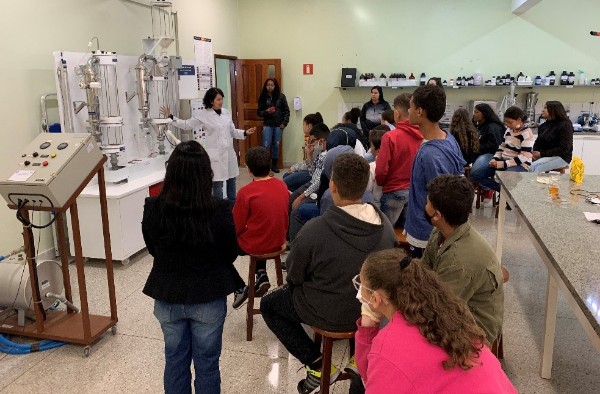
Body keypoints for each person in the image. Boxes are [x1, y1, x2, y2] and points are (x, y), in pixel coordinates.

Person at [261, 153, 397, 394]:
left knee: (270, 305)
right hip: (370, 311)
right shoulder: (384, 224)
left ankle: (316, 364)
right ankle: (357, 360)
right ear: (366, 185)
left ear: (332, 186)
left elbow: (293, 275)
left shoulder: (315, 229)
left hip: (324, 312)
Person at [142, 141, 244, 394]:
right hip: (208, 294)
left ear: (171, 171)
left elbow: (153, 246)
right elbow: (230, 252)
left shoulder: (154, 207)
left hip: (167, 295)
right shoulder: (219, 209)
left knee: (174, 360)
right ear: (206, 174)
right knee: (207, 364)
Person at [354, 248, 517, 393]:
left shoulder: (387, 347)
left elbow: (373, 382)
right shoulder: (447, 312)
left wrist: (367, 324)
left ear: (375, 299)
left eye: (361, 286)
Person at [421, 174, 504, 342]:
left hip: (474, 329)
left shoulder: (458, 262)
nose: (425, 205)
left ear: (437, 215)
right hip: (453, 306)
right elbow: (424, 270)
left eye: (427, 202)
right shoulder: (442, 231)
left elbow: (439, 309)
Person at [160, 88, 256, 204]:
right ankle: (218, 210)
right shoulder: (203, 115)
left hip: (229, 153)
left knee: (232, 181)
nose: (221, 102)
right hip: (216, 155)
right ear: (211, 101)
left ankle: (232, 207)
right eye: (218, 99)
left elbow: (232, 131)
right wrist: (171, 117)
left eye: (222, 99)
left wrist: (245, 133)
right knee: (217, 185)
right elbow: (186, 125)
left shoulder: (226, 112)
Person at [405, 85, 465, 258]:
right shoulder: (447, 138)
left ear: (420, 112)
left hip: (427, 234)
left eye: (411, 106)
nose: (408, 111)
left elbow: (442, 201)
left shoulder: (432, 154)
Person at [231, 147, 289, 308]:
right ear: (269, 166)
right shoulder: (281, 185)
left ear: (248, 170)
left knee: (220, 249)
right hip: (278, 240)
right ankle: (261, 274)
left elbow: (237, 226)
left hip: (258, 244)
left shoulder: (246, 192)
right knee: (261, 228)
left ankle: (240, 287)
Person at [375, 93, 423, 227]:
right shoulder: (423, 136)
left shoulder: (390, 137)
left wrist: (381, 182)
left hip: (393, 192)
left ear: (397, 113)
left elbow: (381, 171)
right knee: (406, 234)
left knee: (387, 234)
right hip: (415, 192)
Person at [470, 106, 535, 193]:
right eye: (505, 122)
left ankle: (506, 195)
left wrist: (502, 164)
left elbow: (524, 157)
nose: (507, 125)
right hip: (504, 161)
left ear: (519, 120)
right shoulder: (509, 130)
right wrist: (494, 159)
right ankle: (504, 192)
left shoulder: (527, 133)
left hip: (519, 165)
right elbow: (502, 147)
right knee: (475, 174)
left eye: (510, 122)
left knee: (506, 178)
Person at [470, 103, 505, 202]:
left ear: (484, 113)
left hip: (492, 155)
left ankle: (499, 189)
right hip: (481, 154)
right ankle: (480, 184)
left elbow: (495, 146)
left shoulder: (493, 127)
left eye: (476, 112)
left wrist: (478, 148)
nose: (474, 115)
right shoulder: (481, 126)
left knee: (475, 174)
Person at [284, 112, 324, 192]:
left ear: (309, 126)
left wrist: (295, 168)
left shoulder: (317, 143)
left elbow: (311, 169)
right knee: (286, 175)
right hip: (310, 170)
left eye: (303, 124)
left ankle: (302, 193)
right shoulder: (312, 139)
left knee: (285, 181)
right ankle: (300, 192)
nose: (303, 127)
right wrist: (295, 167)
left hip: (313, 174)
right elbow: (307, 162)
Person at [257, 78, 290, 173]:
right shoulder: (263, 97)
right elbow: (259, 112)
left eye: (272, 85)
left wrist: (284, 123)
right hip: (267, 124)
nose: (270, 87)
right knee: (266, 145)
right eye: (268, 85)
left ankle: (274, 165)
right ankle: (265, 166)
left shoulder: (281, 96)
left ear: (275, 86)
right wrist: (266, 112)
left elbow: (286, 111)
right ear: (265, 86)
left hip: (279, 125)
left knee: (276, 145)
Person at [530, 101, 574, 173]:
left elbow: (564, 148)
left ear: (554, 110)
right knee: (525, 163)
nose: (542, 110)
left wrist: (541, 154)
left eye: (545, 108)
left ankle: (529, 184)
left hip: (561, 157)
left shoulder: (565, 125)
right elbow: (538, 142)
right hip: (544, 155)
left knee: (534, 166)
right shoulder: (543, 126)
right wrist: (535, 153)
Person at [365, 125, 388, 208]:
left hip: (376, 206)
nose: (370, 149)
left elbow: (367, 191)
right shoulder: (396, 164)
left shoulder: (372, 167)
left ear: (378, 150)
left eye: (371, 146)